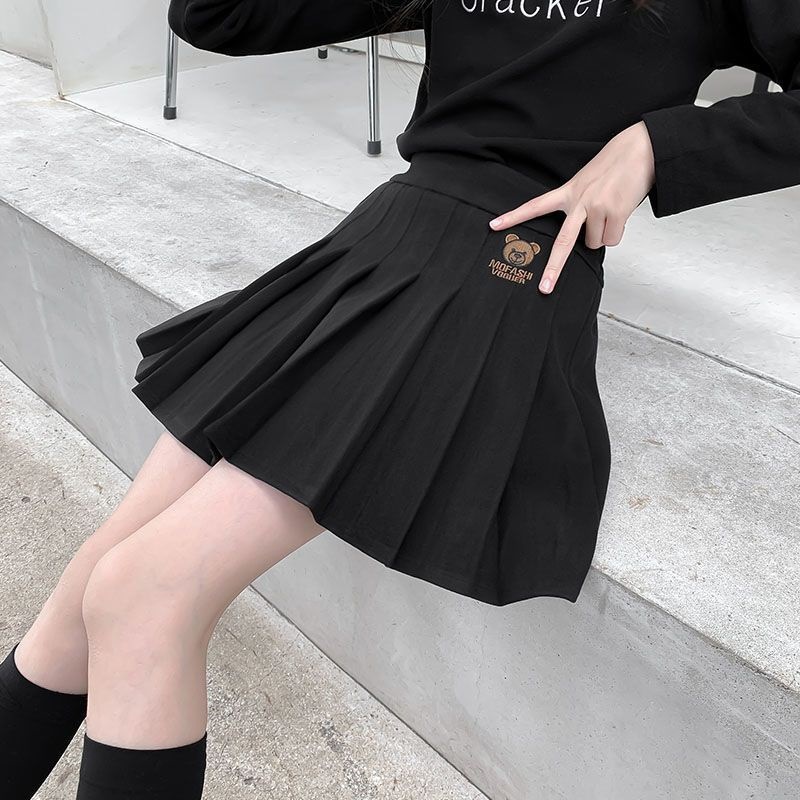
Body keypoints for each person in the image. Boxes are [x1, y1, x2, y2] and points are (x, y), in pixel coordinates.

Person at [2, 0, 798, 797]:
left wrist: (659, 145)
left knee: (141, 595)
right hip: (385, 238)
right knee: (89, 592)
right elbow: (220, 18)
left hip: (509, 268)